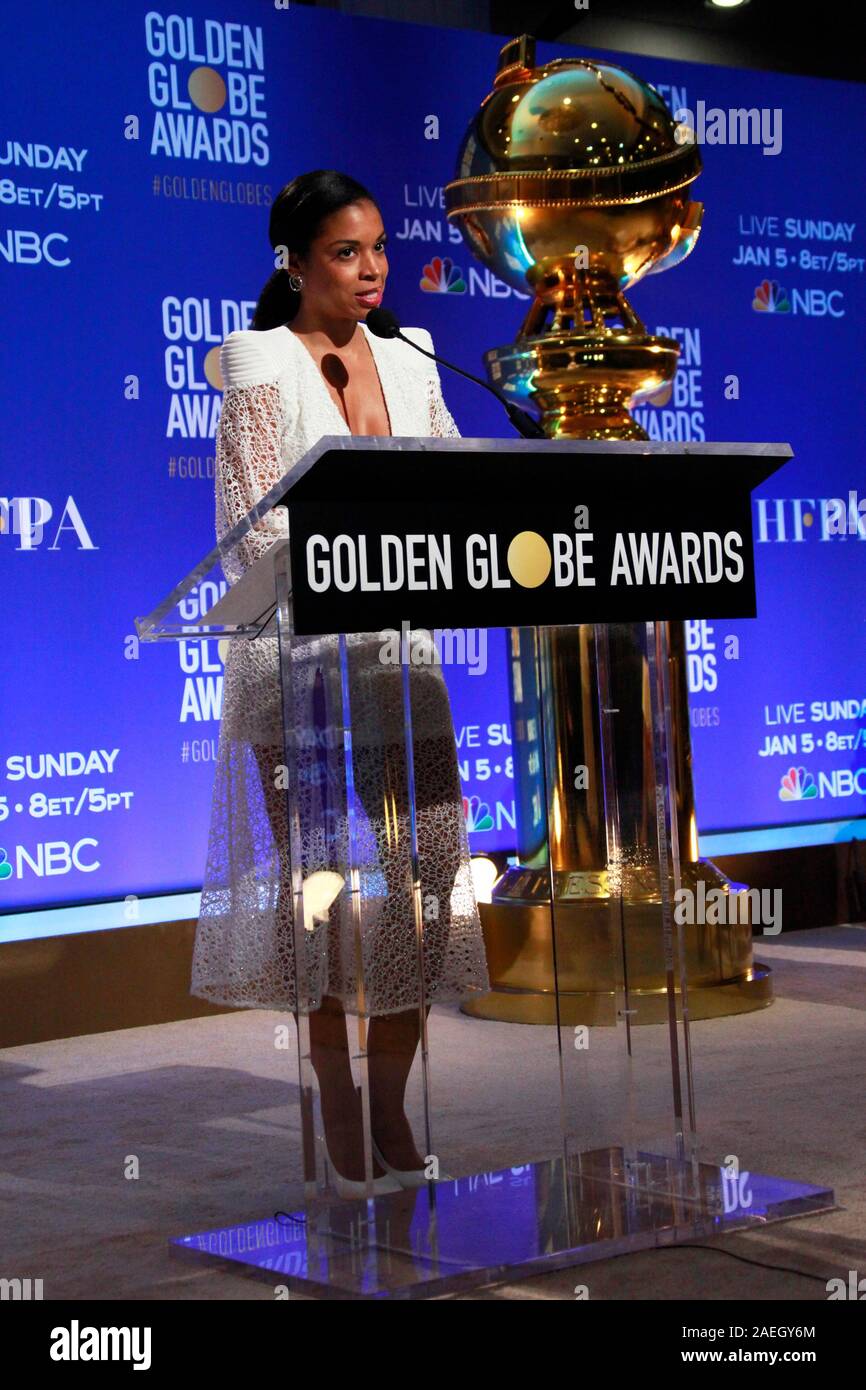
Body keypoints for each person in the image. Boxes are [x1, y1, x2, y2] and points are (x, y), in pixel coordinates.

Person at [192, 170, 490, 1196]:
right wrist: (368, 552)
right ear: (293, 261)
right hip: (299, 663)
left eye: (376, 248)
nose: (369, 270)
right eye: (343, 252)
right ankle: (336, 1109)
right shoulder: (255, 366)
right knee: (315, 891)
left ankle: (390, 1102)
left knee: (430, 870)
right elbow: (250, 528)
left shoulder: (407, 357)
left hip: (399, 658)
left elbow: (452, 476)